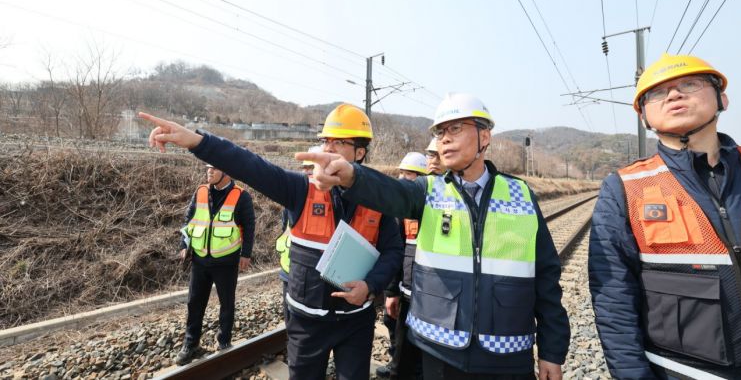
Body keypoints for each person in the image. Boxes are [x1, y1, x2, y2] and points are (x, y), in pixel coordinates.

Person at [298, 93, 569, 380]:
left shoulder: (521, 195)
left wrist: (552, 351)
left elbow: (546, 277)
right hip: (440, 350)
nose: (445, 139)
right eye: (440, 132)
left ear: (484, 136)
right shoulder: (428, 191)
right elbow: (390, 191)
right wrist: (351, 176)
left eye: (456, 128)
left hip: (507, 353)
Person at [139, 104, 403, 380]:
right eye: (326, 140)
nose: (328, 148)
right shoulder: (300, 188)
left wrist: (371, 286)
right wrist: (197, 141)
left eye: (339, 142)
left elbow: (393, 250)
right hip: (307, 322)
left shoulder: (377, 199)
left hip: (356, 322)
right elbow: (249, 165)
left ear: (360, 152)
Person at [588, 53, 741, 379]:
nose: (674, 95)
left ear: (722, 97)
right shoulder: (625, 188)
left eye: (690, 84)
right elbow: (614, 301)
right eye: (658, 92)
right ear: (644, 115)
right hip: (680, 371)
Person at [175, 164, 255, 365]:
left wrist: (246, 254)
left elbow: (249, 226)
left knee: (226, 303)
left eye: (214, 168)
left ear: (226, 172)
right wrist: (184, 244)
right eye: (207, 168)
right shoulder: (200, 191)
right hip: (200, 259)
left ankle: (224, 341)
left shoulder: (241, 196)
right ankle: (191, 343)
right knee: (194, 302)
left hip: (226, 261)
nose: (209, 171)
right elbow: (189, 220)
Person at [377, 152, 428, 379]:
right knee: (393, 322)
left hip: (422, 289)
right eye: (401, 173)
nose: (403, 178)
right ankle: (395, 360)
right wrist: (391, 290)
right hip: (402, 285)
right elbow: (394, 252)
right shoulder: (399, 210)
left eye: (409, 174)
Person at [276, 145, 323, 323]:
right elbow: (285, 229)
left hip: (315, 278)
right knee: (291, 320)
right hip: (289, 271)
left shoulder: (332, 200)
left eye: (311, 167)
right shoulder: (294, 198)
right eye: (304, 167)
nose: (306, 171)